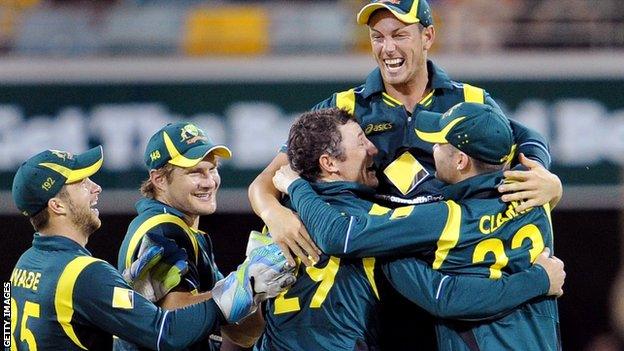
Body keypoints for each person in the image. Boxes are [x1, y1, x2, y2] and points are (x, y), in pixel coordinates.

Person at [274, 104, 563, 350]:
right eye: (362, 141)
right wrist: (542, 167)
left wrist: (296, 187)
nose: (430, 149)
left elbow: (340, 236)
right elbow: (529, 135)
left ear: (461, 160)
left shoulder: (442, 217)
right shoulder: (537, 191)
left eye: (438, 143)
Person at [8, 146, 294, 351]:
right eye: (82, 183)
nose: (96, 188)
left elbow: (9, 335)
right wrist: (244, 286)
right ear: (56, 205)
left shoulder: (23, 265)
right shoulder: (84, 273)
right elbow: (165, 334)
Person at [115, 122, 273, 351]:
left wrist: (259, 290)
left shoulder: (190, 233)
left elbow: (242, 335)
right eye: (195, 172)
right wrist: (243, 285)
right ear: (159, 179)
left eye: (213, 169)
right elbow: (174, 320)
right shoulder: (161, 229)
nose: (209, 182)